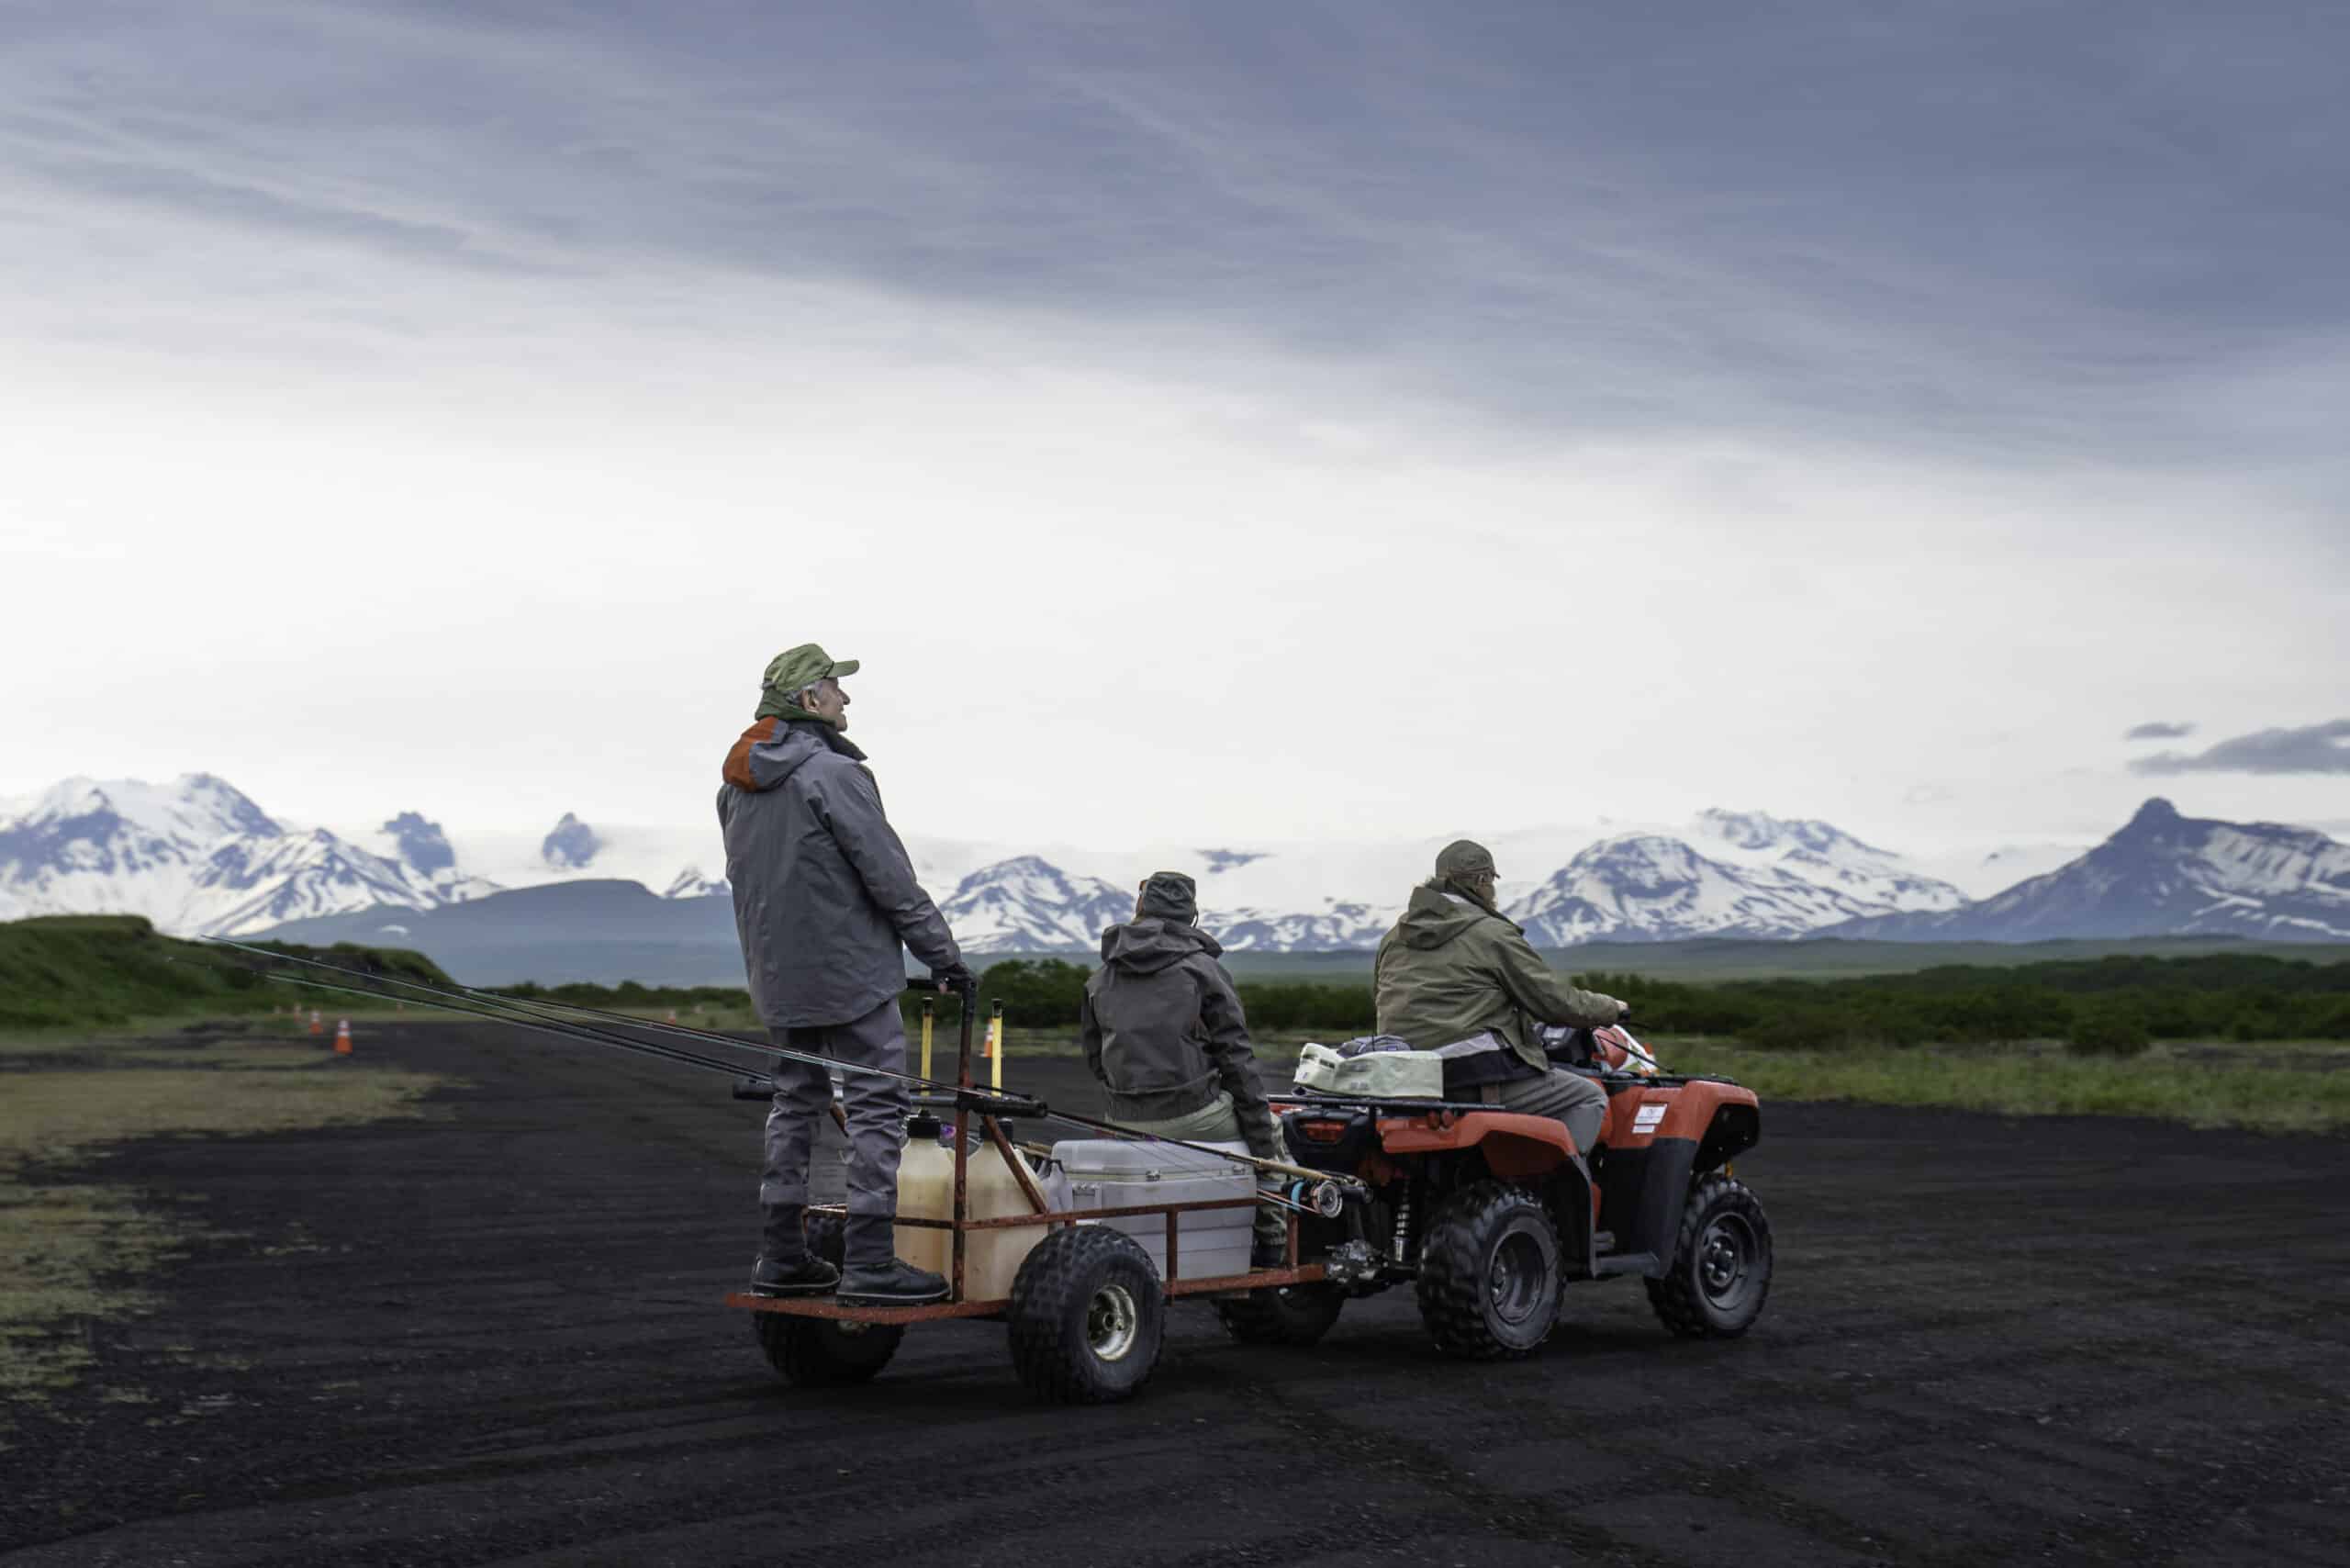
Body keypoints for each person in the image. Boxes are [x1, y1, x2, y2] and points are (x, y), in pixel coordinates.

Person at [718, 643, 974, 1305]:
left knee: (793, 1105)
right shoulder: (834, 775)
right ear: (810, 701)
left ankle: (781, 1256)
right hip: (854, 979)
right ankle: (868, 1263)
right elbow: (890, 878)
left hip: (779, 981)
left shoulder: (735, 787)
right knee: (876, 1110)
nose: (845, 697)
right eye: (835, 687)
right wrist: (943, 958)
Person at [1079, 871, 1292, 1267]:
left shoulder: (1100, 977)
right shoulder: (1205, 971)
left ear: (1139, 909)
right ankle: (1272, 1245)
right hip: (1195, 1115)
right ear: (1192, 916)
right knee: (1275, 1134)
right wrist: (1260, 1136)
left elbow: (1095, 1058)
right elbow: (1238, 1062)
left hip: (1122, 1119)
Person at [1373, 840, 1627, 1159]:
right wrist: (1611, 1009)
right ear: (1481, 882)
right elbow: (1556, 1002)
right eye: (1491, 881)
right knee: (1588, 1096)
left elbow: (1380, 997)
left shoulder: (1395, 936)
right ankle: (1554, 1193)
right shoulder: (1491, 933)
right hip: (1470, 1076)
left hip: (1404, 1077)